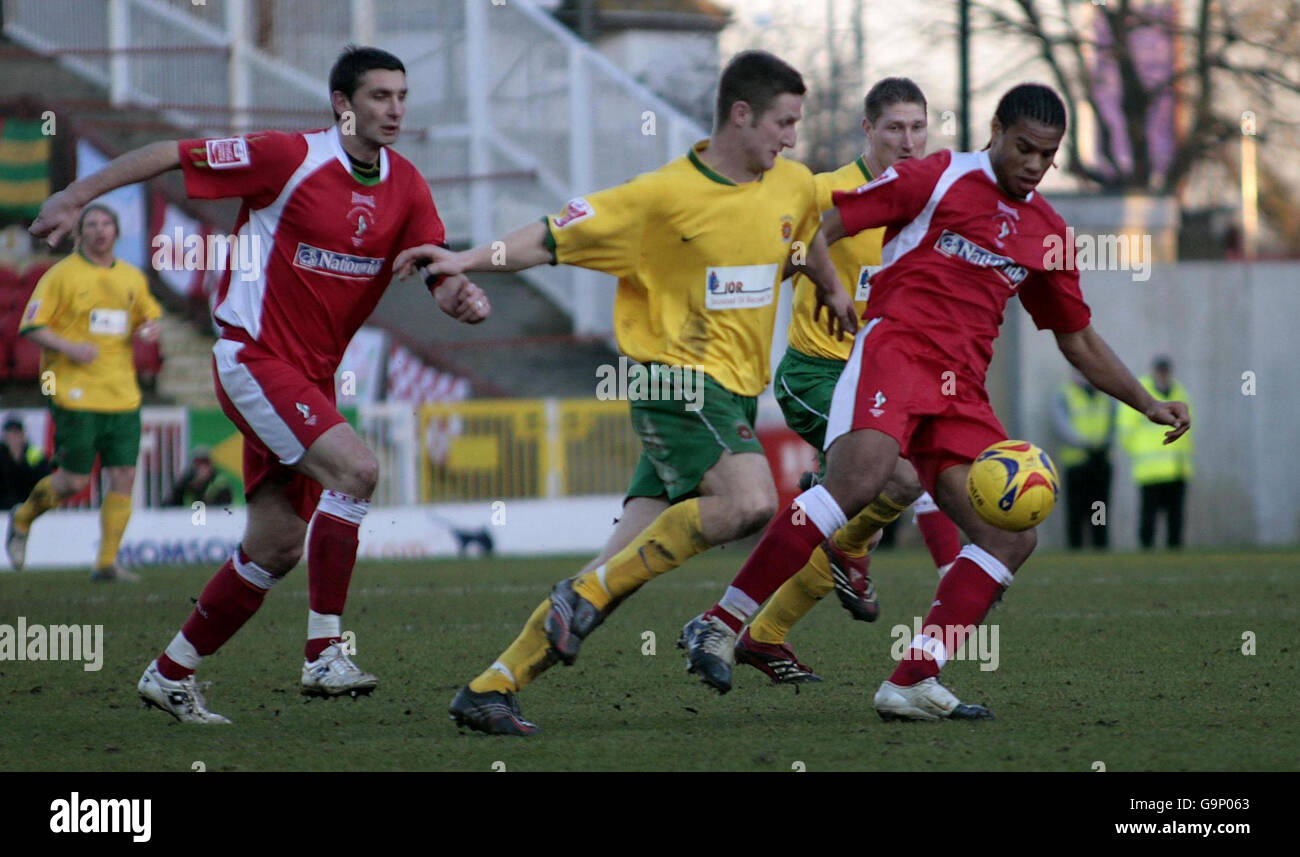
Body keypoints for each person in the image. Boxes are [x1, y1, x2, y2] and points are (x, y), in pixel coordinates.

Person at [679, 83, 1191, 720]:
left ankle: (912, 680)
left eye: (1047, 155)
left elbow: (1076, 336)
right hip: (895, 350)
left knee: (1012, 539)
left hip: (960, 393)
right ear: (996, 130)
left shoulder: (1048, 233)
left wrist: (1146, 401)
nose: (1033, 164)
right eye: (1024, 147)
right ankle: (722, 622)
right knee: (859, 481)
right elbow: (821, 226)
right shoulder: (940, 175)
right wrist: (829, 289)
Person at [399, 50, 858, 735]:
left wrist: (829, 284)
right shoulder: (659, 198)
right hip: (672, 381)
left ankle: (492, 687)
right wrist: (463, 261)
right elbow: (549, 238)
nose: (792, 138)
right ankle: (583, 598)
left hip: (728, 395)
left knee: (617, 570)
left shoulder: (789, 183)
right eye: (783, 123)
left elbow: (805, 234)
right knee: (754, 501)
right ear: (741, 115)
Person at [29, 45, 491, 724]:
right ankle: (324, 653)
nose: (394, 109)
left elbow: (433, 265)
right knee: (358, 470)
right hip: (254, 359)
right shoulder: (287, 157)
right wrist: (74, 195)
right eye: (379, 96)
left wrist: (456, 291)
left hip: (311, 382)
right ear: (343, 104)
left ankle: (170, 674)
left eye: (401, 96)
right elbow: (167, 153)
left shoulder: (409, 187)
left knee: (274, 546)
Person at [739, 77, 964, 685]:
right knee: (893, 477)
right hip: (817, 375)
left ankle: (765, 633)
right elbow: (766, 261)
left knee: (887, 486)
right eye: (894, 128)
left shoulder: (933, 201)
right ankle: (868, 556)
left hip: (889, 378)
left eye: (918, 128)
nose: (908, 141)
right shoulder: (822, 194)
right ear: (868, 130)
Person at [6, 204, 161, 583]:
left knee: (123, 475)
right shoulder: (61, 275)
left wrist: (151, 329)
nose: (99, 230)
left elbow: (149, 315)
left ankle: (106, 563)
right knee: (75, 482)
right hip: (72, 390)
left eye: (106, 223)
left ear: (116, 231)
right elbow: (31, 326)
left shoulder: (130, 277)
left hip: (122, 394)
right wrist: (70, 347)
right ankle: (23, 517)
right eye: (91, 224)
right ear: (80, 234)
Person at [1119, 355, 1193, 549]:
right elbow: (1125, 429)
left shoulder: (1179, 391)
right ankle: (1146, 551)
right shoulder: (1141, 393)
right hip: (1150, 468)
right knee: (1148, 517)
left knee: (1175, 517)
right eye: (1160, 371)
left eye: (1165, 371)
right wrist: (1138, 452)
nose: (1163, 375)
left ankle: (1174, 550)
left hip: (1176, 467)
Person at [1053, 367, 1116, 548]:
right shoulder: (1065, 394)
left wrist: (1104, 444)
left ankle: (1100, 544)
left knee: (1099, 506)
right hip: (1077, 462)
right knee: (1076, 508)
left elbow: (1116, 421)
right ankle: (1076, 546)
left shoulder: (1106, 394)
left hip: (1101, 460)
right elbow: (1061, 424)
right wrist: (1084, 444)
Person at [0, 415, 52, 510]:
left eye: (16, 433)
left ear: (23, 434)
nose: (13, 437)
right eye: (10, 433)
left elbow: (45, 481)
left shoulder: (34, 455)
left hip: (31, 507)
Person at [165, 446, 234, 508]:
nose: (202, 467)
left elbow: (220, 508)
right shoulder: (186, 482)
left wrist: (199, 487)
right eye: (198, 463)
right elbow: (171, 503)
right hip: (188, 519)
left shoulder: (220, 484)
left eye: (205, 463)